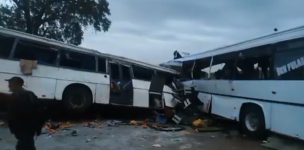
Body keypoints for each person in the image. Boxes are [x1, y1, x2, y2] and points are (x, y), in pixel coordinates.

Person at [6, 76, 45, 150]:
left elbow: (11, 115)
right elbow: (41, 112)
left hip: (22, 129)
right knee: (29, 145)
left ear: (17, 84)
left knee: (23, 146)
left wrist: (13, 129)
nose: (9, 85)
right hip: (31, 129)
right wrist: (38, 128)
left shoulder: (15, 96)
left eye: (10, 83)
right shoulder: (30, 94)